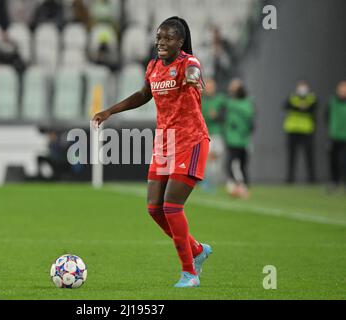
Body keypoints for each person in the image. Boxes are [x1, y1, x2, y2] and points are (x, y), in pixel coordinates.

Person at [92, 17, 212, 288]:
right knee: (154, 208)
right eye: (159, 37)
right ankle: (196, 250)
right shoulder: (154, 67)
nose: (161, 42)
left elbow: (194, 75)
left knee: (171, 207)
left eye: (168, 38)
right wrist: (110, 111)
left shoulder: (188, 63)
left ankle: (189, 273)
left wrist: (194, 82)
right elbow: (144, 94)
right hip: (165, 143)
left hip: (190, 140)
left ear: (180, 42)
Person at [223, 79, 254, 198]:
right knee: (235, 165)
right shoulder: (232, 102)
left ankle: (240, 187)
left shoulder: (240, 103)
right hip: (235, 139)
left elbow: (250, 120)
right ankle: (239, 186)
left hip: (240, 139)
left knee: (236, 165)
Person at [283, 80, 317, 184]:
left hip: (306, 130)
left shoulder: (311, 98)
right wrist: (300, 107)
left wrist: (299, 107)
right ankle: (290, 179)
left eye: (304, 87)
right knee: (292, 156)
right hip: (293, 130)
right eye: (300, 87)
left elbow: (313, 108)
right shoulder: (292, 97)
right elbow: (286, 106)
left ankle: (311, 179)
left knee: (309, 156)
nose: (302, 89)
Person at [201, 77, 226, 191]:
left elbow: (226, 116)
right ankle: (207, 182)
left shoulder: (221, 100)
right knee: (209, 159)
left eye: (212, 87)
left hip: (218, 134)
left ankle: (212, 182)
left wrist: (217, 116)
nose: (210, 89)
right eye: (208, 87)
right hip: (206, 134)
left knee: (216, 161)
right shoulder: (201, 100)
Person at [326, 80, 346, 192]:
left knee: (343, 161)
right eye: (341, 89)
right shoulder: (332, 101)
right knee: (333, 160)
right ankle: (335, 182)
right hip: (334, 136)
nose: (343, 91)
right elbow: (327, 116)